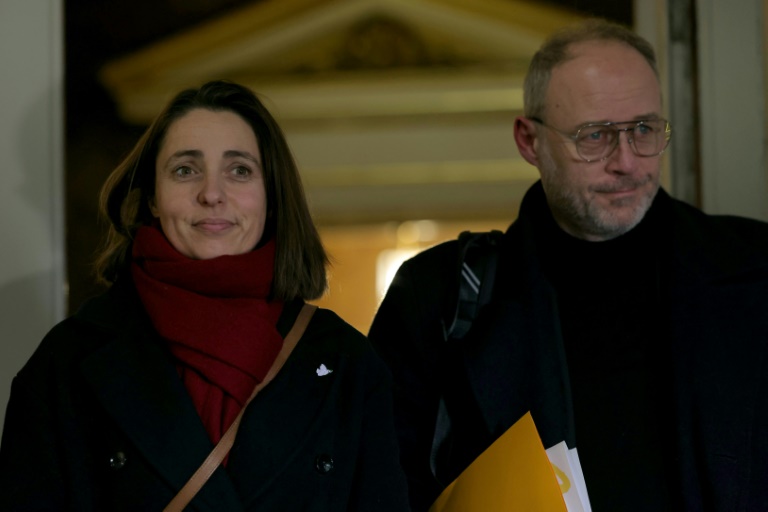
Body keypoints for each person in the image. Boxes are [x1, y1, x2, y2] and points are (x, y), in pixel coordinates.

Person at [369, 18, 768, 512]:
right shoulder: (437, 298)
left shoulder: (758, 269)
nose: (626, 161)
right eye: (594, 136)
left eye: (643, 129)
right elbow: (380, 490)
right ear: (528, 141)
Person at [0, 80, 409, 511]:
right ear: (153, 199)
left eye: (239, 170)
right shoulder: (66, 361)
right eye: (185, 170)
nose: (212, 194)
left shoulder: (348, 362)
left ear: (271, 198)